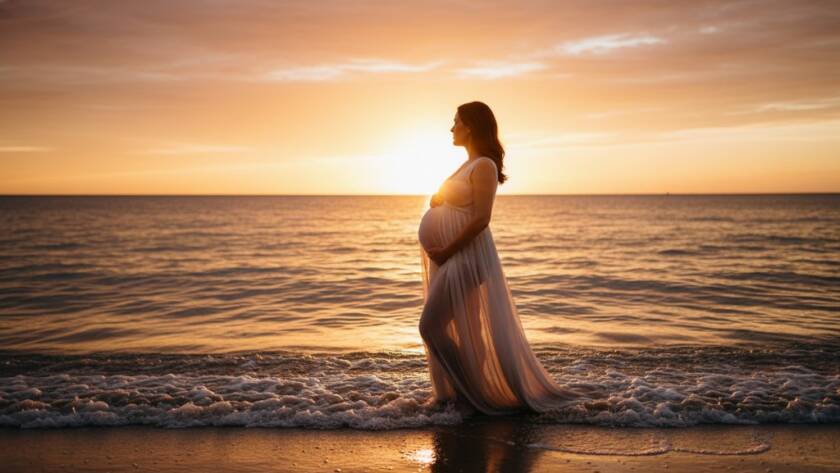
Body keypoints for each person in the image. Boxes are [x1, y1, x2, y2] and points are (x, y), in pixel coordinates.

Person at [417, 101, 588, 415]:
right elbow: (456, 203)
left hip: (466, 256)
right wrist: (438, 200)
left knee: (430, 326)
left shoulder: (484, 165)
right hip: (452, 256)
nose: (452, 128)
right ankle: (467, 392)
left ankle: (469, 393)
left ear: (470, 126)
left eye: (456, 121)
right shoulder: (466, 165)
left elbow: (482, 218)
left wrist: (447, 250)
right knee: (468, 329)